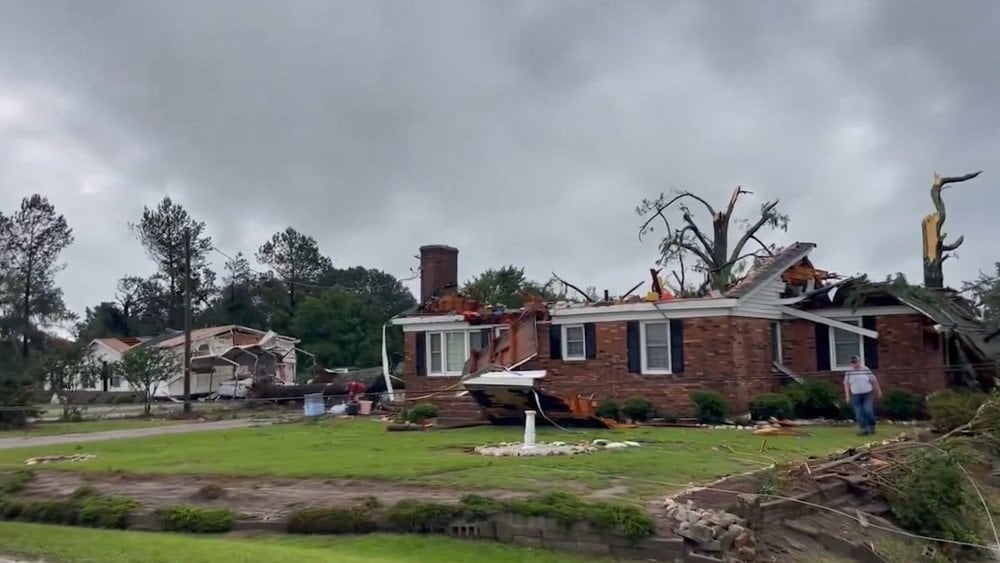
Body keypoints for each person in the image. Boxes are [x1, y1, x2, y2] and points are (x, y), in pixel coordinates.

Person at [843, 355, 881, 435]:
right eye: (853, 362)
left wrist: (878, 390)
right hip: (855, 395)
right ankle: (864, 429)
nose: (855, 364)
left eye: (856, 362)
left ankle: (871, 425)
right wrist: (847, 395)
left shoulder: (865, 369)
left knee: (868, 410)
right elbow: (846, 384)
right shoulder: (849, 372)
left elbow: (874, 380)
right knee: (859, 414)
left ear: (859, 362)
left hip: (867, 394)